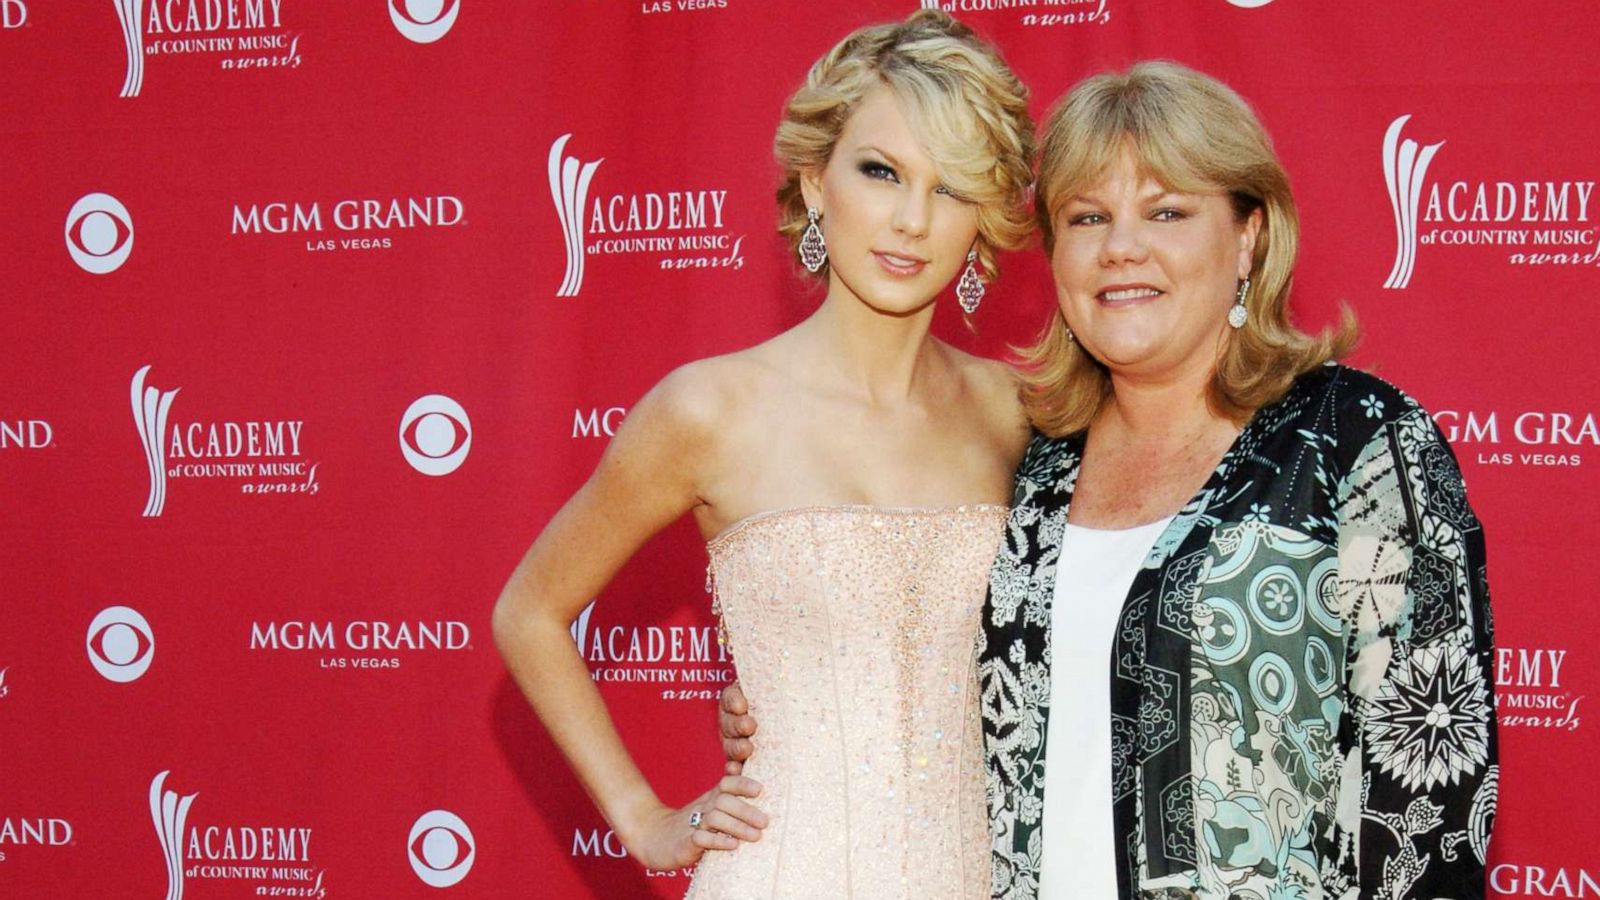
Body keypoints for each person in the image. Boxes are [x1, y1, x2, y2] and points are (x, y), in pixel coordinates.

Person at [724, 62, 1499, 899]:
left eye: (1167, 211)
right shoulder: (1037, 461)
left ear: (1248, 235)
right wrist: (792, 686)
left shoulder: (1357, 442)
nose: (1122, 246)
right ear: (1056, 257)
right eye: (1088, 217)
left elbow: (1432, 798)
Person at [492, 10, 1035, 898]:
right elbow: (529, 612)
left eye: (951, 187)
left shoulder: (1018, 412)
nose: (909, 220)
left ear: (987, 216)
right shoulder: (708, 410)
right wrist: (642, 816)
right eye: (881, 171)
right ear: (817, 181)